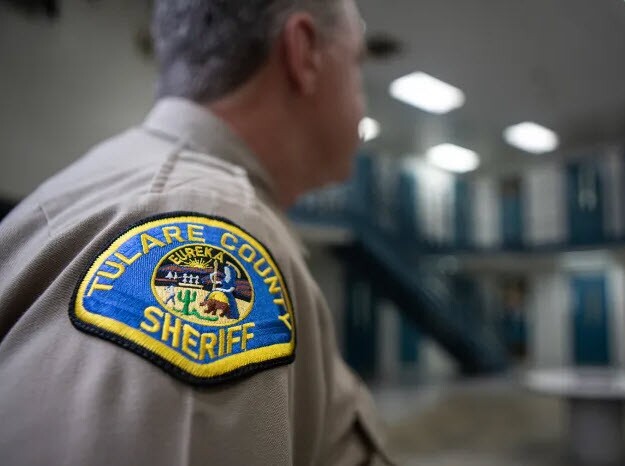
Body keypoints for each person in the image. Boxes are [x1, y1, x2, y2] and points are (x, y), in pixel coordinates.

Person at [0, 0, 392, 464]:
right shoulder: (206, 220)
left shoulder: (132, 184)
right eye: (356, 65)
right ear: (304, 53)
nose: (362, 99)